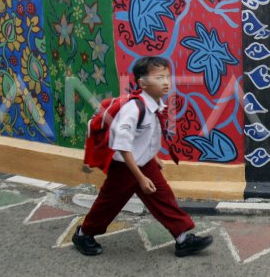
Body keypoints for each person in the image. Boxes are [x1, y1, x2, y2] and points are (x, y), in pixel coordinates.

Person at [72, 56, 213, 258]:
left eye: (167, 77)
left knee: (164, 197)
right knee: (108, 203)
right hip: (125, 168)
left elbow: (146, 137)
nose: (166, 82)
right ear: (142, 83)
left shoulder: (156, 105)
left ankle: (182, 239)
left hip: (144, 164)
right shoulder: (133, 109)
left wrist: (153, 157)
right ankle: (83, 234)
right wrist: (140, 177)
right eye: (159, 77)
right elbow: (122, 145)